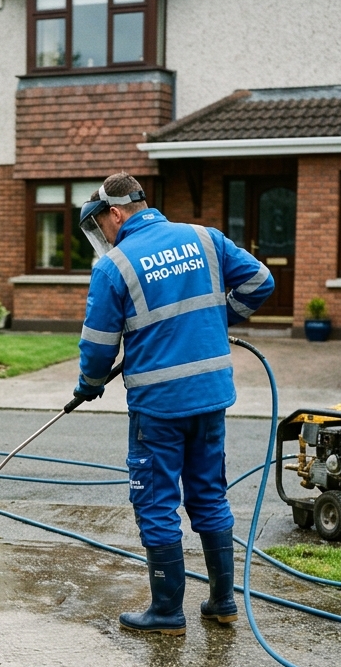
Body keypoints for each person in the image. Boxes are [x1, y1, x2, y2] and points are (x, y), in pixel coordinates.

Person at [74, 172, 274, 635]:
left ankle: (166, 612)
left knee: (157, 501)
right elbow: (261, 283)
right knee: (208, 493)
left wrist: (89, 382)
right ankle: (223, 603)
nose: (104, 234)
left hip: (159, 406)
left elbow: (100, 343)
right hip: (211, 397)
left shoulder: (114, 266)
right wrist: (215, 318)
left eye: (102, 223)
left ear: (116, 212)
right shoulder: (205, 238)